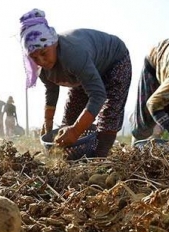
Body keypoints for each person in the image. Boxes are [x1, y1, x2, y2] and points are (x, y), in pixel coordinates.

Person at [19, 9, 132, 158]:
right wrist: (48, 121)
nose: (41, 60)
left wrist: (76, 131)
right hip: (84, 73)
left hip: (114, 61)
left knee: (108, 116)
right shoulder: (40, 69)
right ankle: (69, 158)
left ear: (54, 43)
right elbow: (51, 90)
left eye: (44, 53)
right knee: (69, 119)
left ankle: (98, 158)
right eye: (34, 57)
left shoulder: (73, 55)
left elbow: (98, 95)